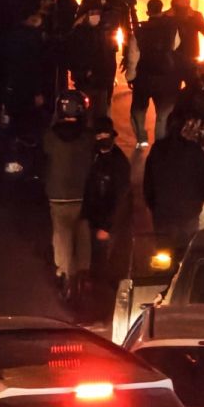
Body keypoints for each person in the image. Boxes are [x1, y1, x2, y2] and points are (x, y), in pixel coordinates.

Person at [42, 91, 96, 297]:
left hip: (57, 193)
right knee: (83, 231)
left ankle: (64, 271)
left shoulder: (51, 136)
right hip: (82, 192)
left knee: (61, 233)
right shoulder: (87, 137)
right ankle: (83, 271)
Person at [144, 115, 204, 252]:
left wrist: (153, 205)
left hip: (163, 213)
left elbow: (148, 182)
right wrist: (199, 200)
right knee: (187, 251)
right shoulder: (194, 150)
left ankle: (165, 273)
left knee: (163, 252)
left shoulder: (158, 149)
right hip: (188, 213)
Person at [126, 0, 181, 147]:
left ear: (148, 11)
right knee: (163, 114)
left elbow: (133, 56)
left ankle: (141, 138)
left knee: (138, 109)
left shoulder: (139, 31)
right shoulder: (171, 28)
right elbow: (176, 45)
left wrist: (130, 76)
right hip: (165, 77)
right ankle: (160, 145)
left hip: (144, 76)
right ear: (161, 9)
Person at [83, 117, 131, 289]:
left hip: (109, 221)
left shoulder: (119, 163)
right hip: (96, 217)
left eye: (105, 135)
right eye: (99, 136)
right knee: (97, 255)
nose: (102, 139)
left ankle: (103, 292)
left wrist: (106, 226)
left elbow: (120, 199)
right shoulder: (94, 156)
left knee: (105, 258)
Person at [69, 5, 120, 124]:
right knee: (85, 112)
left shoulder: (104, 33)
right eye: (92, 13)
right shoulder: (79, 33)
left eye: (98, 14)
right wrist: (82, 71)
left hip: (101, 80)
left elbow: (108, 57)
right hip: (85, 80)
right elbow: (74, 55)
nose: (95, 17)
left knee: (100, 114)